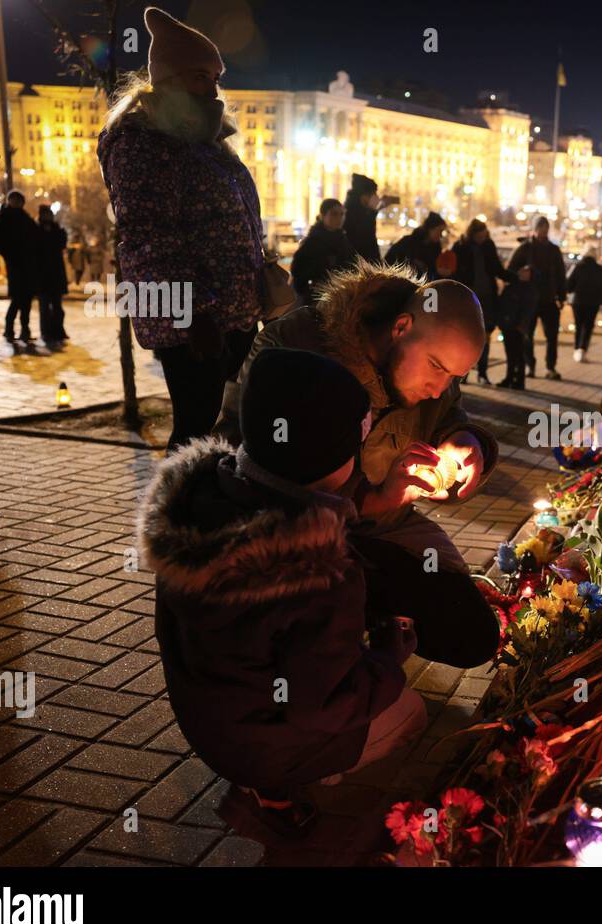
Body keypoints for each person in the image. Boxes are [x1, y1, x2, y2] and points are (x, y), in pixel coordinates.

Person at [139, 348, 434, 839]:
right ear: (334, 457)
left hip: (208, 726)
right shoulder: (316, 569)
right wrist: (388, 659)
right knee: (409, 713)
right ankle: (293, 781)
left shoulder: (198, 504)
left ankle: (267, 781)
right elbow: (325, 705)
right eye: (355, 447)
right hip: (262, 748)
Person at [213, 259, 502, 661]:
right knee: (314, 648)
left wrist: (468, 444)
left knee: (471, 634)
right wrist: (373, 498)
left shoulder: (433, 375)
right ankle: (339, 638)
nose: (439, 388)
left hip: (381, 532)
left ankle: (365, 618)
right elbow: (248, 470)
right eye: (437, 367)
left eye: (455, 376)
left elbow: (450, 418)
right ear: (401, 327)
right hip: (294, 538)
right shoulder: (298, 348)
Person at [98, 6, 265, 451]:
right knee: (195, 429)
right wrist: (195, 313)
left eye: (215, 77)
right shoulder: (142, 141)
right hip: (194, 323)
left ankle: (215, 495)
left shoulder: (209, 140)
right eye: (200, 76)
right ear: (168, 79)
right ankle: (179, 496)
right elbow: (150, 238)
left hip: (234, 314)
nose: (212, 87)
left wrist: (261, 277)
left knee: (230, 429)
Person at [451, 219, 517, 386]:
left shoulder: (488, 246)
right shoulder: (461, 247)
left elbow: (497, 269)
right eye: (479, 235)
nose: (482, 238)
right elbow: (453, 272)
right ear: (472, 234)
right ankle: (463, 373)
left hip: (487, 297)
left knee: (485, 336)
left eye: (484, 235)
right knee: (466, 337)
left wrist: (514, 278)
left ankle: (482, 372)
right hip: (467, 297)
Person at [506, 216, 566, 380]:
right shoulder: (525, 248)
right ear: (535, 228)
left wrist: (562, 296)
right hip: (528, 299)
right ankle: (529, 365)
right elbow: (511, 269)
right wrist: (520, 278)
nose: (543, 230)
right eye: (541, 227)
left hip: (549, 298)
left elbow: (560, 274)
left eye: (546, 227)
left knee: (552, 336)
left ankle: (550, 367)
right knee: (527, 334)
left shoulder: (554, 250)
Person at [0, 191, 41, 343]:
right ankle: (9, 329)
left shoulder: (26, 218)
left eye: (19, 200)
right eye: (14, 200)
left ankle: (24, 330)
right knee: (18, 297)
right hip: (15, 263)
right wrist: (8, 253)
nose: (16, 202)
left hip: (28, 264)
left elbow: (35, 238)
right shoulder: (3, 218)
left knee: (26, 298)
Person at [290, 198, 355, 307]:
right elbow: (297, 270)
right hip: (316, 299)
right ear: (323, 216)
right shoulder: (313, 241)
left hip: (339, 298)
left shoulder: (343, 240)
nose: (339, 218)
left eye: (342, 214)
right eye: (334, 214)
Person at [566, 247, 602, 364]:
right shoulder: (599, 269)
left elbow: (569, 284)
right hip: (593, 302)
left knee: (578, 325)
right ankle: (583, 349)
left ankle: (577, 349)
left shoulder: (578, 267)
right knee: (588, 326)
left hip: (578, 301)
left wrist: (570, 291)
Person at [36, 204, 69, 345]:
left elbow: (62, 244)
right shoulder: (36, 230)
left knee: (57, 306)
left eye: (49, 214)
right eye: (46, 214)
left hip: (56, 273)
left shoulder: (57, 229)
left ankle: (58, 330)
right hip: (42, 273)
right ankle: (46, 332)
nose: (48, 216)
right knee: (44, 306)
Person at [385, 211, 447, 280]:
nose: (441, 235)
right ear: (430, 229)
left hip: (426, 285)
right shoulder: (408, 242)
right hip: (402, 282)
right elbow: (389, 261)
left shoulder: (436, 248)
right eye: (439, 230)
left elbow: (435, 271)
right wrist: (412, 262)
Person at [343, 173, 384, 264]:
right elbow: (366, 241)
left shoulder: (365, 212)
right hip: (358, 266)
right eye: (373, 194)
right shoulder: (351, 214)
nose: (376, 197)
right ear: (364, 195)